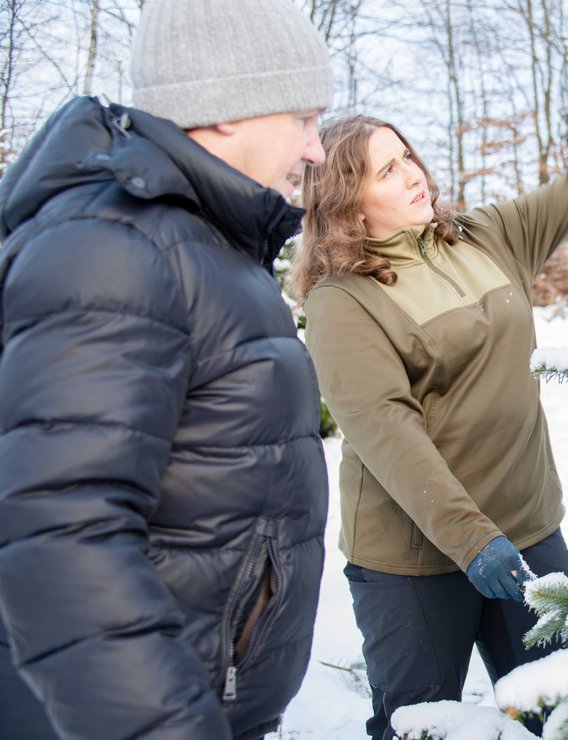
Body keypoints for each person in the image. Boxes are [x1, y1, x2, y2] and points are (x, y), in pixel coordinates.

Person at [288, 66, 568, 737]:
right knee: (420, 726)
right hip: (415, 560)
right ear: (347, 203)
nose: (413, 174)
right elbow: (385, 430)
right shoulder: (341, 300)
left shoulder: (482, 238)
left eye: (408, 156)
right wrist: (472, 540)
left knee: (561, 712)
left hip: (528, 531)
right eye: (387, 171)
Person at [0, 1, 333, 738]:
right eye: (304, 118)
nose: (316, 149)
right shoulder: (118, 250)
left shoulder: (207, 247)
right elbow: (61, 534)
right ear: (225, 110)